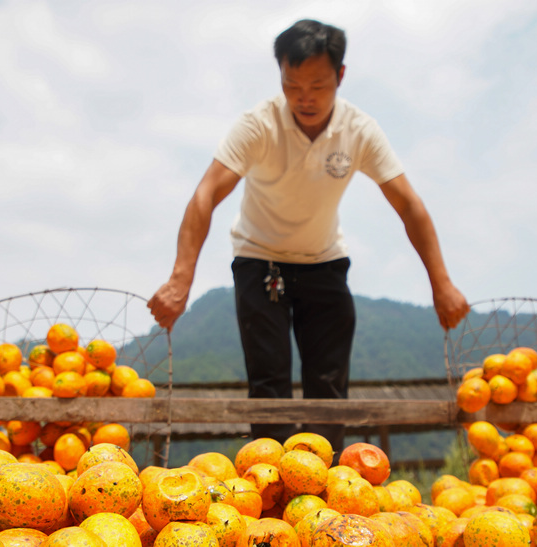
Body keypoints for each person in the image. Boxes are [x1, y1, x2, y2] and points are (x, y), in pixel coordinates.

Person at [148, 19, 470, 453]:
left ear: (340, 76)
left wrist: (442, 283)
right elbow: (206, 193)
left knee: (328, 385)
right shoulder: (258, 125)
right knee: (269, 382)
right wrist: (180, 279)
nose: (304, 98)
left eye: (317, 85)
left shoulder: (359, 130)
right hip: (259, 259)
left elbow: (409, 205)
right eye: (292, 85)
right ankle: (271, 493)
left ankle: (323, 488)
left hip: (324, 262)